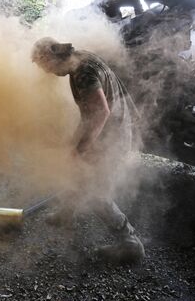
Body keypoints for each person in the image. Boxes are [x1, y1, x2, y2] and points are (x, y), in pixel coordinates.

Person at [31, 37, 145, 264]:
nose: (46, 72)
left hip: (113, 135)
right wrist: (74, 144)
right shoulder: (80, 58)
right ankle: (66, 215)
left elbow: (101, 112)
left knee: (95, 189)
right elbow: (90, 113)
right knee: (75, 170)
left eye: (43, 66)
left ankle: (130, 243)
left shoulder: (83, 72)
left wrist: (82, 147)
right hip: (111, 129)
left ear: (49, 58)